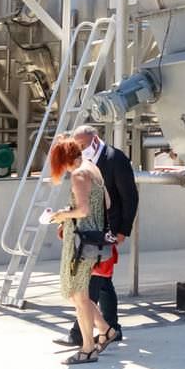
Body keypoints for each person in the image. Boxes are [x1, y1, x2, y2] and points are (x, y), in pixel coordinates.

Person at [62, 124, 138, 349]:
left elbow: (130, 197)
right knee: (102, 282)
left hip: (106, 231)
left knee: (89, 281)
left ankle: (84, 333)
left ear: (94, 141)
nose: (80, 150)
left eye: (82, 145)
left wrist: (123, 230)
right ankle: (110, 328)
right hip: (91, 230)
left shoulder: (115, 159)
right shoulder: (86, 164)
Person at [40, 136, 112, 365]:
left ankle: (88, 348)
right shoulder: (92, 168)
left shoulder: (79, 174)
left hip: (81, 243)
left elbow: (82, 210)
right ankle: (105, 329)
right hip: (92, 240)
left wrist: (61, 215)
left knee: (78, 295)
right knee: (77, 292)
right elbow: (106, 203)